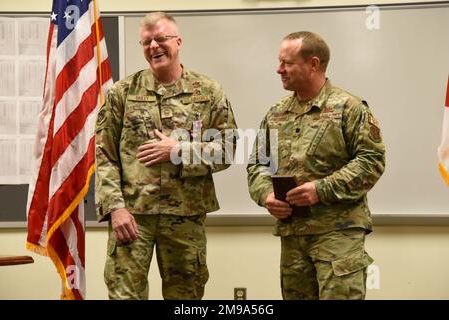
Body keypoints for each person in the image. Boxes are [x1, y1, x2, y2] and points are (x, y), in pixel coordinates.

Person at [95, 12, 237, 300]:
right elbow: (104, 154)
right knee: (125, 296)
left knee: (186, 298)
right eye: (146, 42)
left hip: (185, 216)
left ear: (178, 42)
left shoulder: (208, 91)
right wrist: (115, 208)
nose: (154, 47)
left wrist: (178, 151)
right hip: (133, 216)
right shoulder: (122, 93)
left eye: (161, 39)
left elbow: (229, 148)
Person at [247, 31, 385, 300]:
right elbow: (258, 164)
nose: (279, 69)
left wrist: (320, 189)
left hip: (338, 234)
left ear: (313, 63)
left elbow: (371, 161)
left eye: (287, 63)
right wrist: (266, 196)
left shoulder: (349, 108)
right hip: (293, 235)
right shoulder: (276, 113)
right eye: (280, 62)